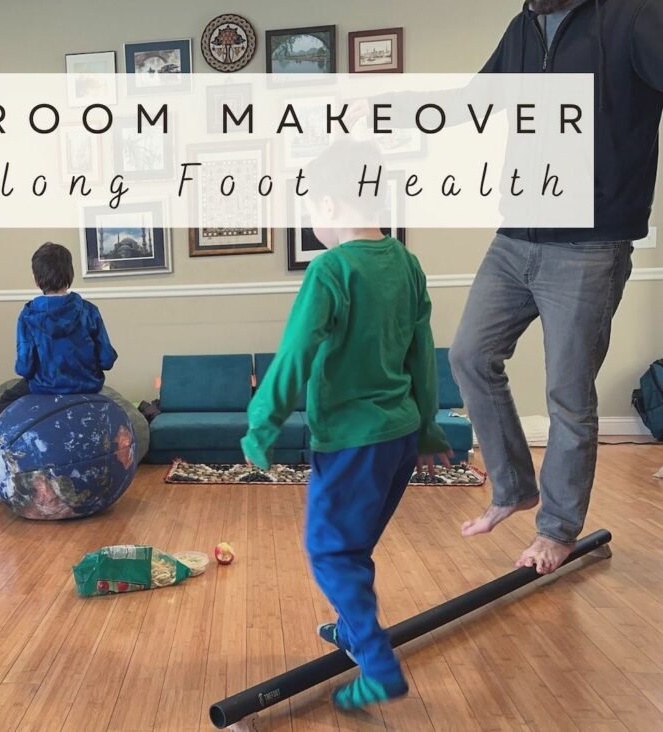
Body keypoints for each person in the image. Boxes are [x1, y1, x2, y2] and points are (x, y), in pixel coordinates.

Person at [450, 0, 663, 574]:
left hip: (590, 246)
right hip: (515, 234)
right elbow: (475, 102)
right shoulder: (522, 27)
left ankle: (558, 529)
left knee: (568, 395)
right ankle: (515, 487)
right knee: (470, 354)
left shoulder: (636, 18)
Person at [241, 140, 452, 711]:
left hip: (353, 443)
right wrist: (430, 428)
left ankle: (380, 667)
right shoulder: (406, 265)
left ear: (330, 206)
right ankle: (352, 629)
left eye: (310, 209)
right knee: (353, 544)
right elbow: (422, 355)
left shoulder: (331, 269)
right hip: (400, 438)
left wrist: (262, 424)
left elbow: (294, 353)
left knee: (332, 552)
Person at [0, 241, 118, 430]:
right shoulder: (89, 311)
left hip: (44, 389)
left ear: (36, 279)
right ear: (70, 274)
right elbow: (107, 360)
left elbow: (24, 367)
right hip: (87, 387)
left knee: (6, 402)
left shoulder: (28, 315)